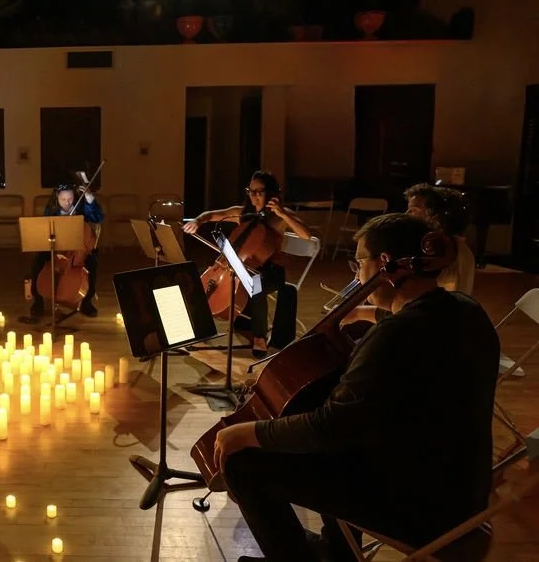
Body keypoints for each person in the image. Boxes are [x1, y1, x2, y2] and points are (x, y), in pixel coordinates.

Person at [214, 214, 498, 562]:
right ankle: (337, 552)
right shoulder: (467, 311)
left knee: (244, 461)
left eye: (359, 263)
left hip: (418, 509)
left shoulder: (396, 335)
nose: (357, 275)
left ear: (384, 263)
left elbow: (329, 429)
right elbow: (412, 337)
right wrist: (369, 315)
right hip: (461, 497)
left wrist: (248, 432)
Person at [181, 171, 311, 356]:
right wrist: (198, 221)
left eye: (259, 192)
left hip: (271, 271)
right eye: (251, 191)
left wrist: (282, 213)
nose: (254, 196)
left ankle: (259, 337)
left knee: (256, 285)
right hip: (241, 267)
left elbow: (306, 235)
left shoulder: (280, 217)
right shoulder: (243, 213)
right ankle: (199, 328)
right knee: (201, 277)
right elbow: (211, 215)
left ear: (271, 193)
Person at [341, 183, 475, 328]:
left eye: (413, 210)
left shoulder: (442, 255)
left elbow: (413, 310)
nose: (406, 214)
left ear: (436, 216)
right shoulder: (452, 248)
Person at [25, 181, 105, 320]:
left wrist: (89, 198)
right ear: (57, 197)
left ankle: (87, 301)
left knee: (92, 262)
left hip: (78, 249)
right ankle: (37, 301)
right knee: (38, 260)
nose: (67, 203)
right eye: (63, 199)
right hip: (56, 247)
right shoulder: (51, 209)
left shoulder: (81, 207)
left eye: (70, 198)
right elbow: (46, 230)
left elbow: (98, 218)